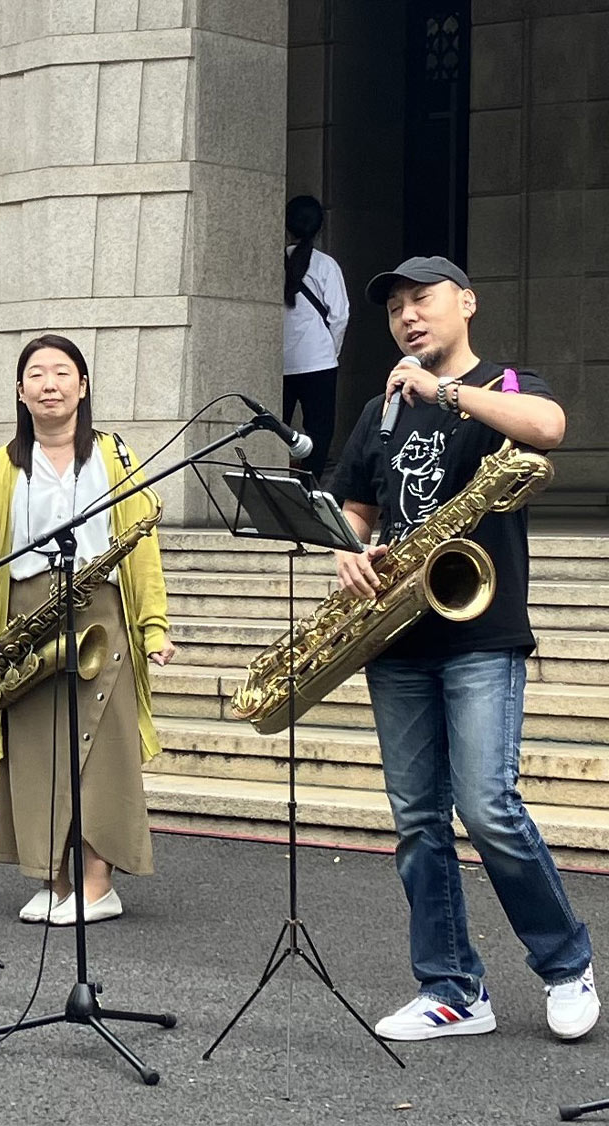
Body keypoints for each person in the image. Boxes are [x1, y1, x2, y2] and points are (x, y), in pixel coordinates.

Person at [329, 256, 599, 1042]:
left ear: (467, 304)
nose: (408, 317)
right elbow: (355, 505)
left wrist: (442, 391)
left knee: (488, 807)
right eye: (395, 310)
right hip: (397, 638)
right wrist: (345, 549)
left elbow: (550, 430)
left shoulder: (507, 386)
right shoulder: (378, 411)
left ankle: (566, 962)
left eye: (423, 301)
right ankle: (452, 988)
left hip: (481, 632)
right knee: (417, 822)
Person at [0, 334, 176, 926]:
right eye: (36, 375)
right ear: (20, 392)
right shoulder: (3, 464)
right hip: (27, 619)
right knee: (35, 751)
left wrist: (154, 628)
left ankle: (98, 886)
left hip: (100, 610)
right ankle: (53, 879)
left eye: (62, 372)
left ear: (83, 386)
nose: (50, 384)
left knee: (101, 751)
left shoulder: (115, 456)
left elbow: (143, 544)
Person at [283, 194, 349, 484]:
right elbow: (340, 315)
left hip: (279, 364)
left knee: (276, 427)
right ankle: (309, 487)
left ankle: (276, 482)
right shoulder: (326, 265)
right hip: (319, 361)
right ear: (320, 227)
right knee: (319, 430)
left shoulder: (274, 262)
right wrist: (331, 351)